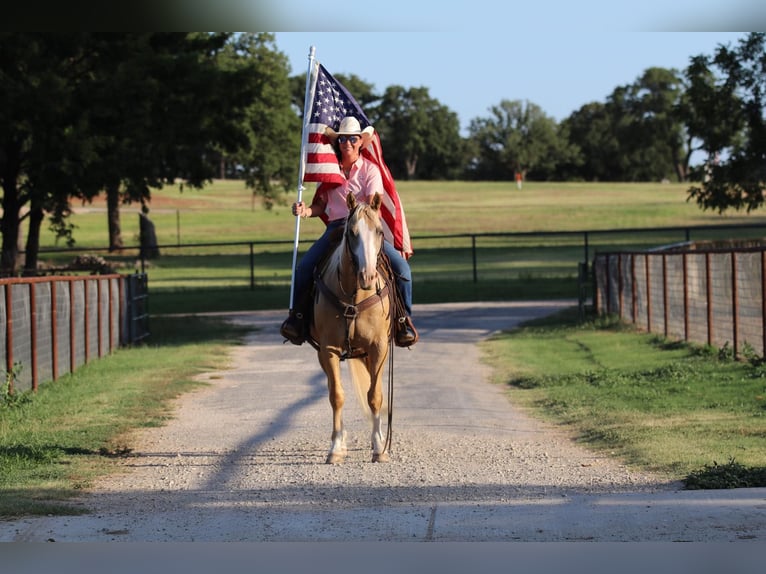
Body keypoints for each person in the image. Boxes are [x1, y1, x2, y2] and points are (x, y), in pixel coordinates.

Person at [280, 116, 418, 348]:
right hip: (336, 229)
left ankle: (403, 321)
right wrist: (305, 211)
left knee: (402, 269)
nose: (347, 143)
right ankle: (298, 319)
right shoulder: (329, 171)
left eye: (353, 139)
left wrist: (359, 212)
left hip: (364, 229)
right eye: (343, 139)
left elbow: (375, 202)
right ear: (338, 142)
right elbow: (320, 207)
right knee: (304, 268)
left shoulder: (370, 170)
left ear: (360, 142)